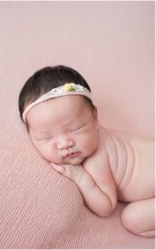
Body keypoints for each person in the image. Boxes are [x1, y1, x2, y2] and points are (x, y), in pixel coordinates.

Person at [18, 65, 155, 238]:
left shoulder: (96, 158)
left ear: (95, 118)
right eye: (47, 137)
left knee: (133, 218)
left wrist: (79, 176)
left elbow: (106, 207)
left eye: (76, 128)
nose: (65, 143)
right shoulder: (95, 138)